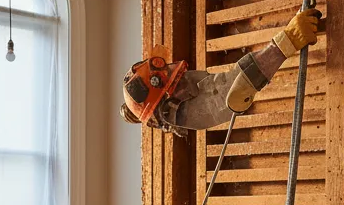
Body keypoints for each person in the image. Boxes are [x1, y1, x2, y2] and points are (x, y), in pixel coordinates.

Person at [119, 8, 322, 132]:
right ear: (169, 97)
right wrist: (287, 41)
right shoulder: (193, 109)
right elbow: (236, 86)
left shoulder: (183, 97)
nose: (182, 78)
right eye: (175, 82)